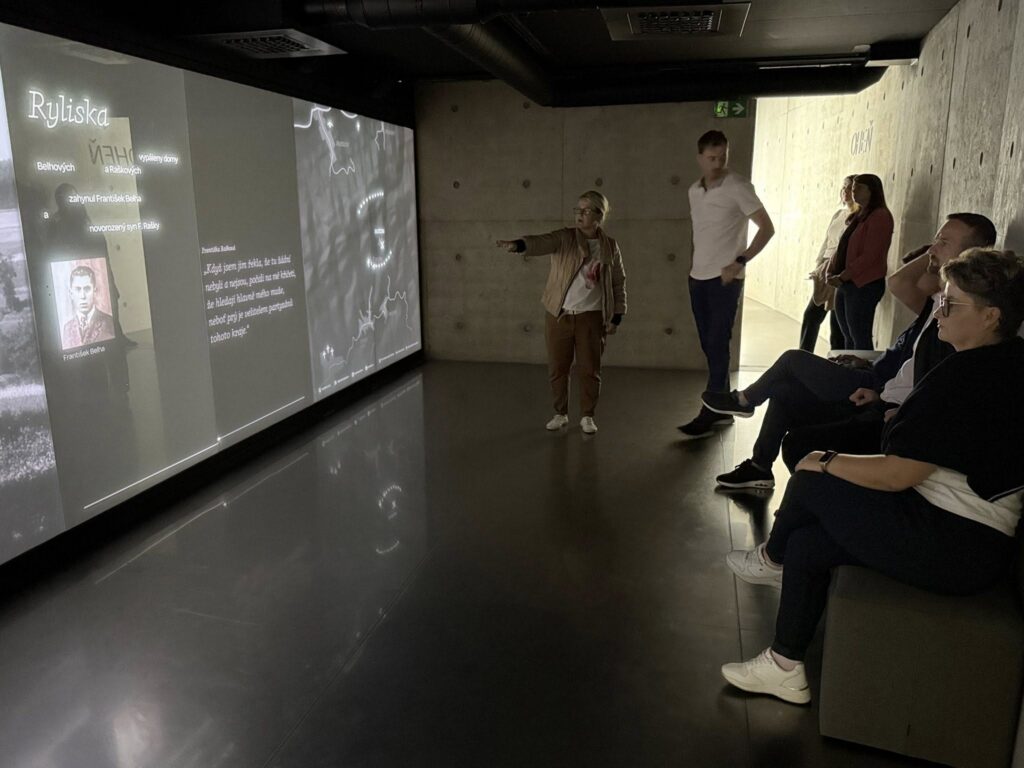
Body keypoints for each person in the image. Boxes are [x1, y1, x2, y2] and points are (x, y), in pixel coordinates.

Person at [719, 247, 1024, 705]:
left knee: (811, 477)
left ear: (990, 316)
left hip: (953, 543)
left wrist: (826, 460)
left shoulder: (969, 377)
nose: (938, 310)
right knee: (810, 544)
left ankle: (771, 558)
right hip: (961, 537)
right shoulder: (1003, 362)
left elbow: (899, 474)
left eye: (950, 303)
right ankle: (784, 666)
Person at [702, 212, 996, 489]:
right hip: (875, 389)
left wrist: (960, 262)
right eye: (935, 240)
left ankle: (746, 401)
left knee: (793, 364)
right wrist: (937, 253)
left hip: (883, 405)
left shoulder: (958, 322)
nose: (932, 248)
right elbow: (908, 358)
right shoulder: (937, 303)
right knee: (783, 391)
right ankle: (759, 467)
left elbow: (935, 389)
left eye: (944, 242)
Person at [495, 191, 626, 434]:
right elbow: (541, 242)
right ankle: (560, 413)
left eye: (586, 210)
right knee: (558, 368)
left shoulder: (610, 246)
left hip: (592, 317)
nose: (580, 214)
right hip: (559, 315)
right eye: (578, 209)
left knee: (590, 370)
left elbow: (618, 281)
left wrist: (617, 316)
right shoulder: (565, 238)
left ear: (599, 215)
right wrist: (518, 245)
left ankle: (587, 416)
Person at [678, 130, 775, 440]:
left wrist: (740, 262)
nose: (718, 163)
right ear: (700, 158)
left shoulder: (738, 186)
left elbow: (767, 228)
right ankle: (721, 407)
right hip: (698, 277)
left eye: (722, 157)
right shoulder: (694, 190)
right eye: (712, 158)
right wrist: (693, 268)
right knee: (709, 344)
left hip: (725, 279)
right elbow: (700, 232)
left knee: (718, 343)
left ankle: (710, 412)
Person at [826, 173, 893, 349]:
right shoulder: (859, 214)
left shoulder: (880, 216)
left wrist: (843, 276)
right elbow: (843, 246)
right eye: (853, 188)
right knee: (847, 336)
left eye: (859, 188)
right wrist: (831, 271)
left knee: (859, 337)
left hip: (864, 284)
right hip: (847, 283)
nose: (854, 191)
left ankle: (861, 367)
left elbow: (870, 255)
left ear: (872, 191)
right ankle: (849, 365)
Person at [799, 175, 857, 353]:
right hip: (825, 269)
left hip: (839, 270)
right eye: (844, 187)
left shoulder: (858, 217)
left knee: (835, 323)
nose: (845, 191)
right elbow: (827, 242)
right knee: (812, 316)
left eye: (850, 188)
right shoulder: (838, 214)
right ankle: (803, 356)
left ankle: (833, 362)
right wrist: (819, 266)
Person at [61, 264, 115, 350]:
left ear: (94, 291)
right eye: (78, 289)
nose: (83, 296)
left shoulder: (109, 322)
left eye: (87, 289)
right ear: (71, 294)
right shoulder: (67, 328)